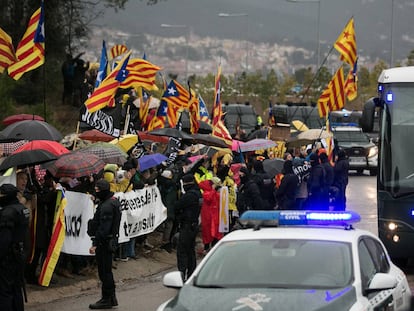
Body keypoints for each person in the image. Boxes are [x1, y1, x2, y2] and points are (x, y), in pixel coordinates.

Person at [87, 180, 121, 309]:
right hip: (109, 241)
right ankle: (111, 298)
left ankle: (107, 298)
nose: (96, 192)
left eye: (97, 190)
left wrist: (95, 243)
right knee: (107, 271)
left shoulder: (107, 206)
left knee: (104, 272)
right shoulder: (112, 202)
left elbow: (104, 228)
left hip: (104, 242)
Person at [0, 184, 30, 311]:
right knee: (16, 288)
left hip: (8, 257)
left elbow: (4, 240)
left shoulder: (7, 213)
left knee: (4, 291)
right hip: (20, 254)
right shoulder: (22, 209)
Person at [174, 174, 202, 281]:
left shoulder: (189, 195)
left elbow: (178, 206)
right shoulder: (198, 193)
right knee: (190, 251)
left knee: (182, 251)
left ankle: (181, 276)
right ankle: (191, 275)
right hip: (194, 225)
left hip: (187, 225)